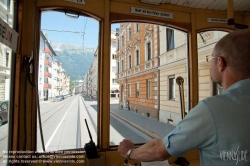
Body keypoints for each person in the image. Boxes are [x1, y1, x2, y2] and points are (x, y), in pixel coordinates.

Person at [118, 29, 250, 165]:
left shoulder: (212, 110)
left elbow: (159, 151)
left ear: (220, 63)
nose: (211, 64)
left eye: (212, 59)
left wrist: (129, 152)